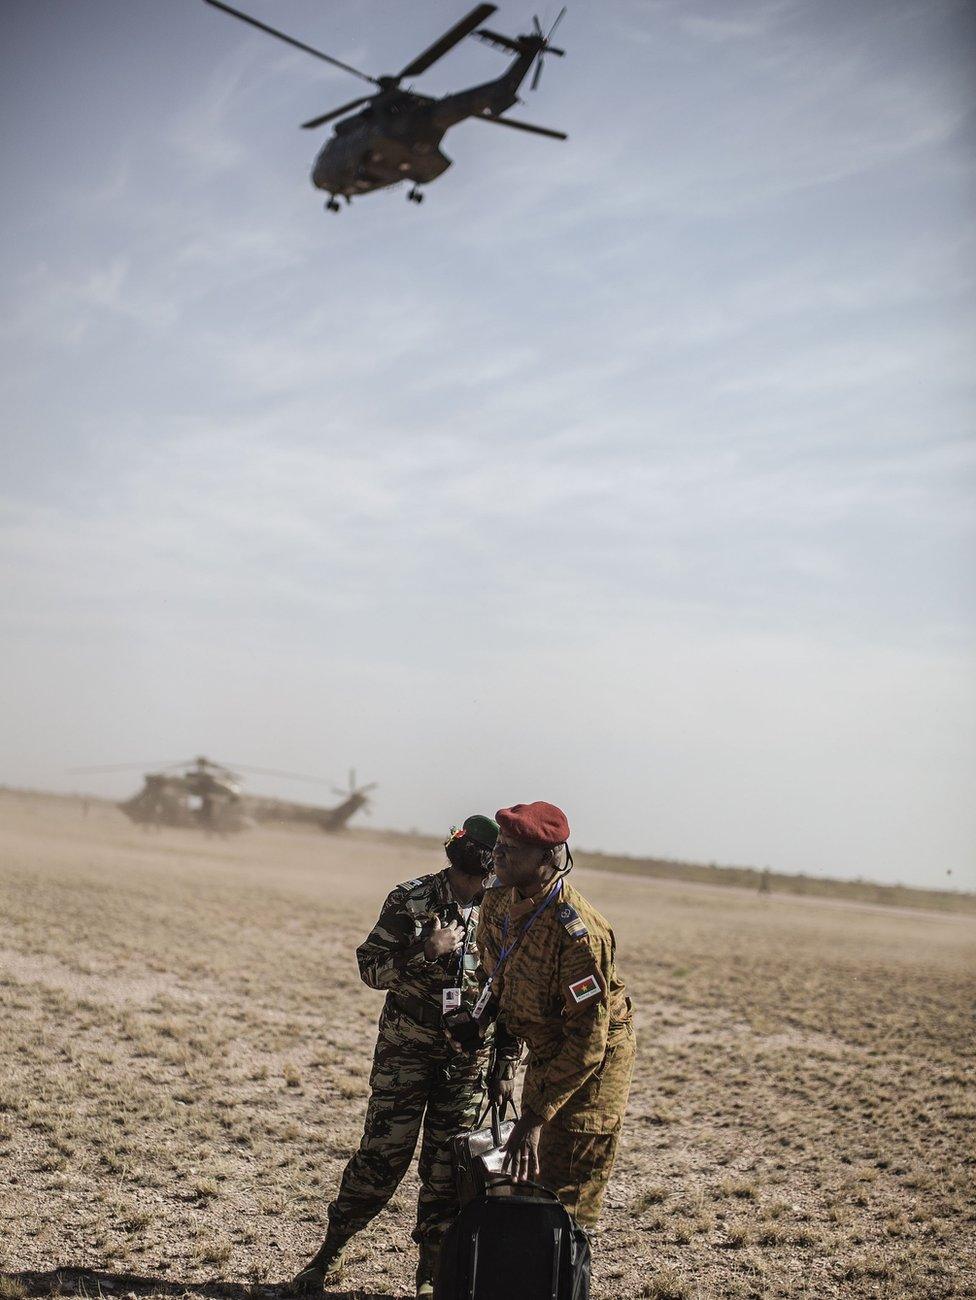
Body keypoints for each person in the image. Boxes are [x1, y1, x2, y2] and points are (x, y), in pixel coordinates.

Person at [291, 814, 516, 1298]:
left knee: (448, 1173)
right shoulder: (411, 899)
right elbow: (370, 968)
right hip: (405, 1054)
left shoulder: (504, 909)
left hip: (466, 1064)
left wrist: (504, 1066)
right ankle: (327, 1254)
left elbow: (511, 993)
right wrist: (425, 950)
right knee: (381, 1159)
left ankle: (431, 1277)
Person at [473, 801, 636, 1232]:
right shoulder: (495, 902)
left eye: (513, 848)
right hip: (545, 1047)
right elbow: (499, 986)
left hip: (591, 1064)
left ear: (548, 859)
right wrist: (504, 1062)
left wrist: (533, 1119)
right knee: (528, 1183)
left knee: (566, 1194)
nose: (499, 854)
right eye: (499, 844)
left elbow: (588, 1040)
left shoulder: (579, 933)